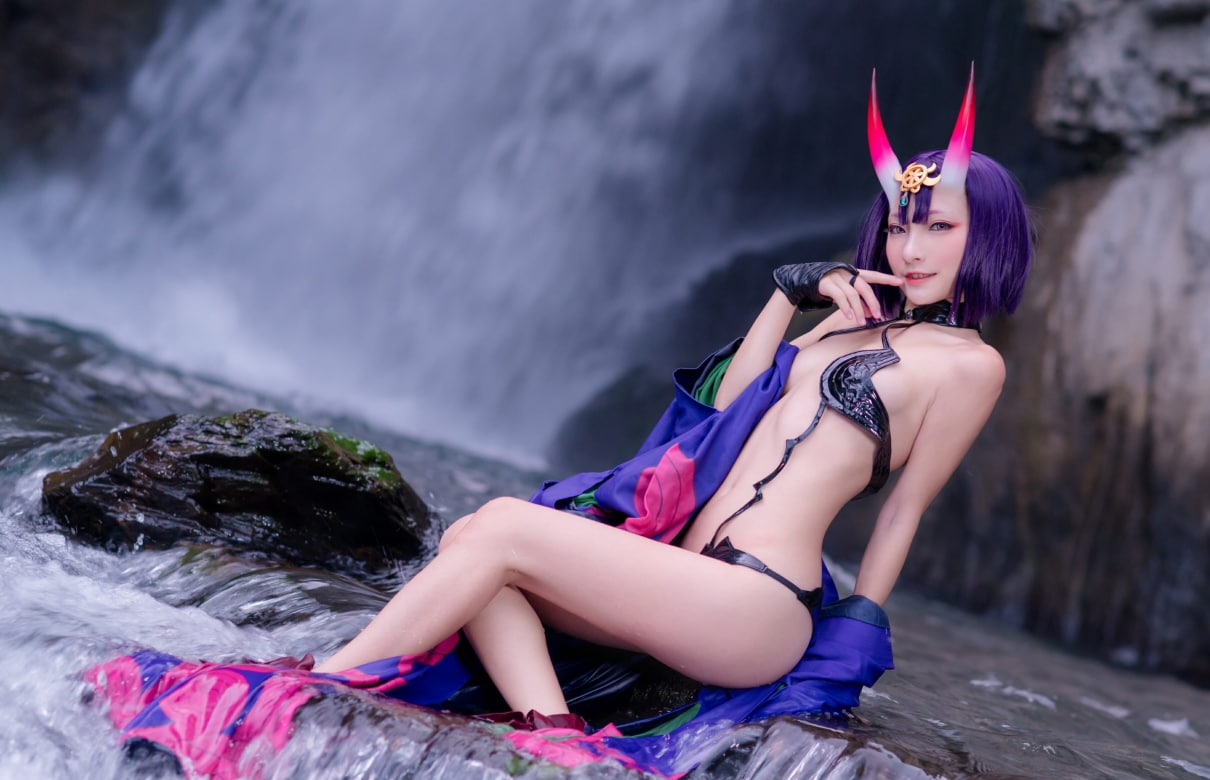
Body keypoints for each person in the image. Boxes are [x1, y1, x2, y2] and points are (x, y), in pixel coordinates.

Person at [315, 67, 1034, 725]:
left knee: (503, 526)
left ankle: (324, 686)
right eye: (901, 227)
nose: (911, 250)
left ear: (987, 237)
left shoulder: (972, 367)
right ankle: (552, 733)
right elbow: (727, 409)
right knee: (469, 539)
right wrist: (787, 295)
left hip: (758, 602)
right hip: (682, 575)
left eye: (939, 227)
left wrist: (855, 636)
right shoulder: (848, 324)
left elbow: (904, 510)